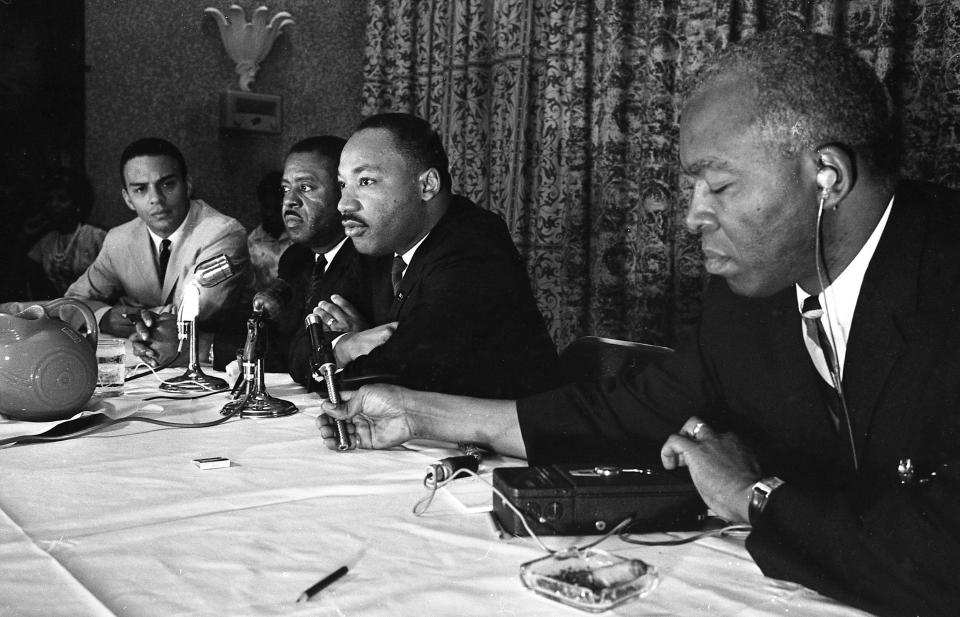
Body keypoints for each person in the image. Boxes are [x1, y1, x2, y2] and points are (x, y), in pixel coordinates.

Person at [316, 32, 960, 617]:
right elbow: (630, 415)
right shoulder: (748, 296)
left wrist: (753, 495)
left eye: (720, 187)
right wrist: (419, 414)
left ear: (828, 176)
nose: (692, 218)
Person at [309, 112, 560, 399]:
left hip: (501, 439)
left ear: (427, 185)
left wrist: (350, 352)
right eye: (343, 184)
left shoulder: (473, 246)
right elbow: (302, 340)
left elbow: (405, 372)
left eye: (366, 181)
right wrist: (348, 346)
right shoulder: (379, 238)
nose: (343, 204)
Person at [65, 137, 249, 363]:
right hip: (149, 361)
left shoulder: (223, 233)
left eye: (167, 184)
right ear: (128, 199)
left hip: (214, 367)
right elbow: (73, 302)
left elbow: (190, 316)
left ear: (187, 185)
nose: (156, 199)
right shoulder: (119, 239)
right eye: (141, 189)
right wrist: (104, 317)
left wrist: (128, 312)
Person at [26, 169, 106, 298]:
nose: (53, 204)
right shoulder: (48, 240)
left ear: (76, 203)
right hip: (63, 310)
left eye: (61, 199)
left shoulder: (96, 236)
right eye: (50, 199)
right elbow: (26, 273)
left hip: (97, 309)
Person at [246, 170, 291, 292]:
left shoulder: (296, 238)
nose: (270, 213)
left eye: (276, 208)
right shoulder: (252, 243)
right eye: (266, 207)